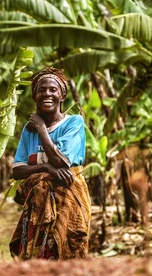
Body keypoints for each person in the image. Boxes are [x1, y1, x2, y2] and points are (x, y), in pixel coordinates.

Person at [9, 67, 91, 260]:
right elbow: (17, 170)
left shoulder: (74, 122)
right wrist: (46, 168)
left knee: (68, 248)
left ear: (62, 96)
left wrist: (41, 128)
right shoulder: (28, 131)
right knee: (36, 255)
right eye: (41, 90)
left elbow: (60, 160)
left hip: (69, 198)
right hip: (37, 203)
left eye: (53, 90)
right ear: (35, 96)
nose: (47, 93)